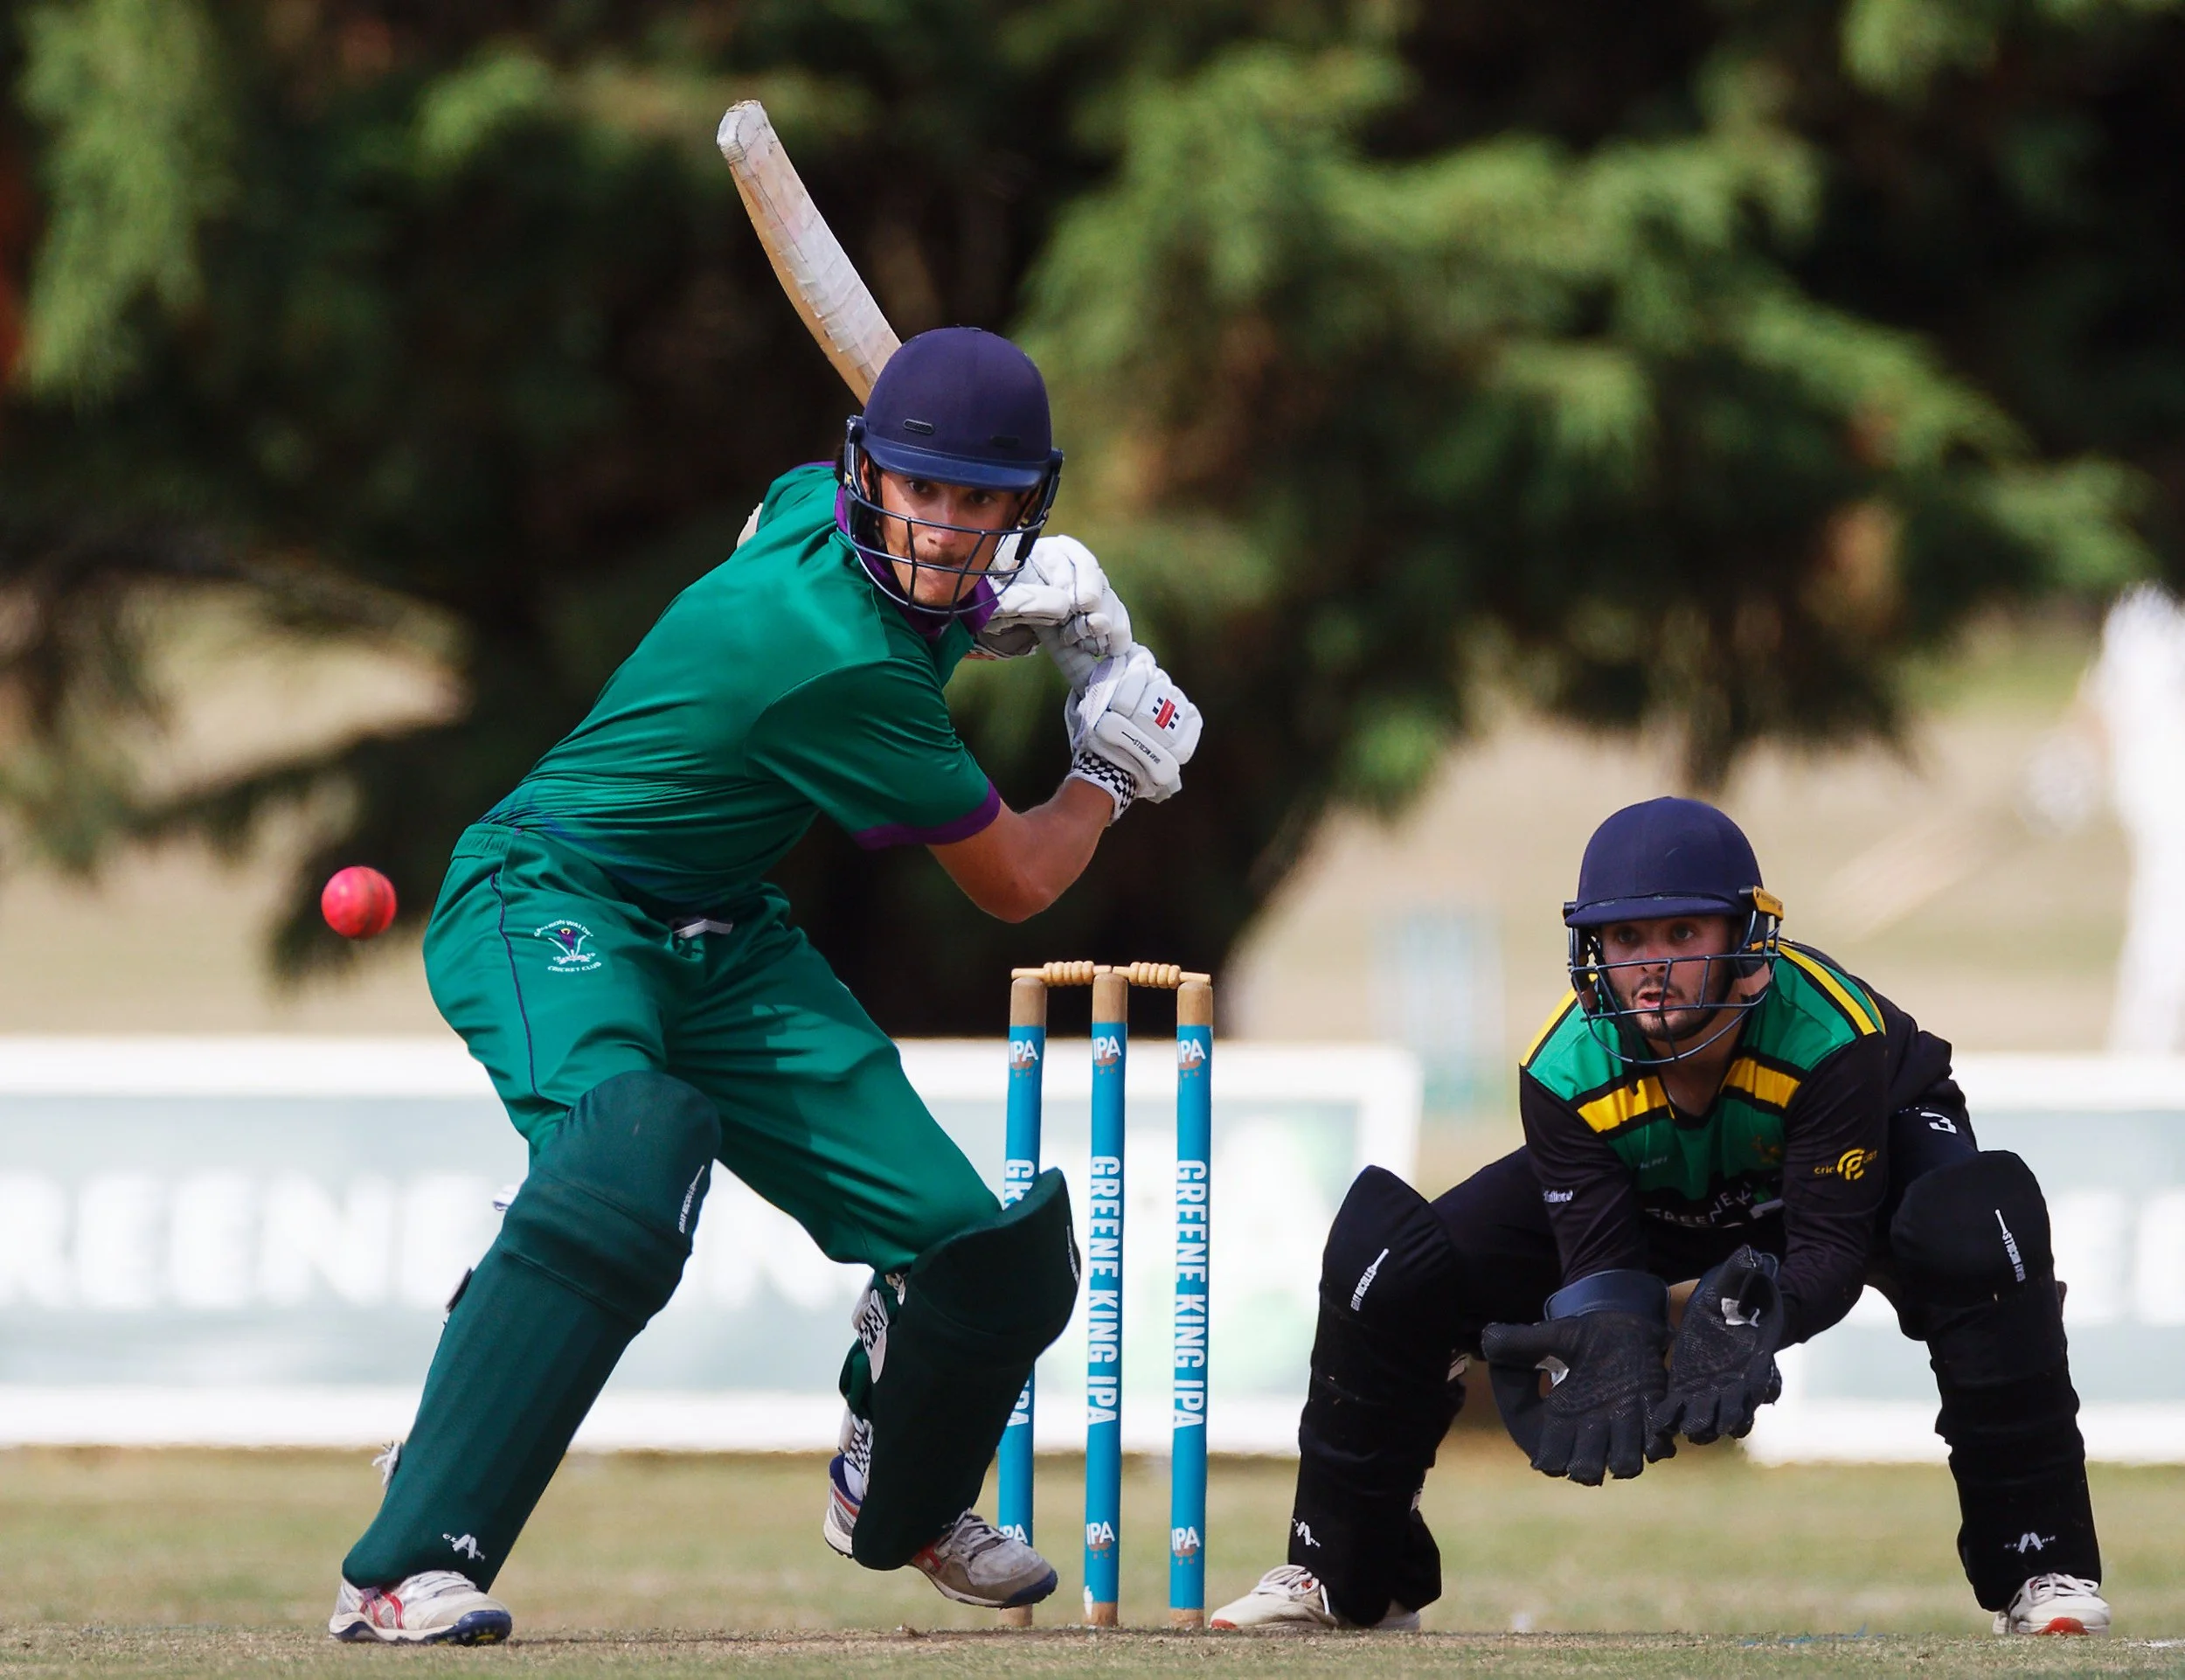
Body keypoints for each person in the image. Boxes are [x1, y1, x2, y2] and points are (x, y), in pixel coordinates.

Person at [329, 327, 1202, 1644]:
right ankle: (403, 1561)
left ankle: (900, 1493)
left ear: (1025, 505)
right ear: (870, 475)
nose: (944, 526)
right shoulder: (843, 667)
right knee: (630, 1149)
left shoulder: (806, 505)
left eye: (978, 501)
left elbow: (773, 522)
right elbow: (1019, 879)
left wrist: (974, 615)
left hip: (726, 938)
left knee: (982, 1259)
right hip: (549, 892)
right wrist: (1107, 771)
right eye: (921, 490)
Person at [1212, 796, 2107, 1639]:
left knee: (1975, 1224)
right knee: (1387, 1264)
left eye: (1683, 932)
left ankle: (2044, 1566)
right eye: (1627, 937)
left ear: (1743, 937)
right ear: (1592, 949)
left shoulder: (1832, 1038)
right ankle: (1347, 1577)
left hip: (1847, 1164)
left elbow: (1830, 1252)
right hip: (1660, 1184)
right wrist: (1608, 1340)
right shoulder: (1561, 1071)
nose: (1652, 964)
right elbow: (1601, 1264)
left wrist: (1747, 1321)